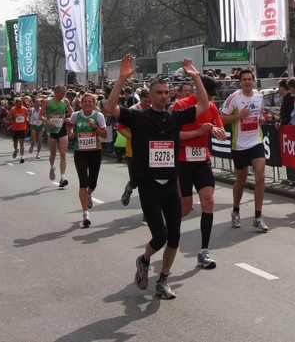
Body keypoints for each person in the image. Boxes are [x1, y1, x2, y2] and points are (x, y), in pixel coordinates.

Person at [106, 55, 211, 300]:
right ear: (150, 96)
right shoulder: (138, 118)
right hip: (149, 186)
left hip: (170, 185)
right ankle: (144, 260)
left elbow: (204, 105)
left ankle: (163, 280)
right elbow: (110, 109)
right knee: (160, 236)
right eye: (159, 93)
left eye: (166, 92)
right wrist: (121, 80)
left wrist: (196, 77)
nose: (164, 96)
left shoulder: (175, 117)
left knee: (174, 237)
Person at [173, 76, 227, 269]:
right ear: (199, 89)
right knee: (185, 208)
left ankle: (204, 251)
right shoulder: (181, 105)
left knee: (208, 200)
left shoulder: (211, 107)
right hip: (182, 161)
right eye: (208, 92)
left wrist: (216, 131)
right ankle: (167, 233)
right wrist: (197, 132)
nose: (210, 96)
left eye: (212, 93)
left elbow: (219, 128)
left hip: (202, 159)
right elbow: (172, 134)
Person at [219, 69, 269, 232]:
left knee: (260, 176)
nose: (247, 82)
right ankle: (235, 210)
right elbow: (221, 118)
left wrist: (261, 119)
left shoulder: (259, 96)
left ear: (253, 81)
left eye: (250, 79)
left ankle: (258, 217)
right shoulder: (234, 98)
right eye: (244, 79)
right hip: (239, 145)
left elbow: (260, 115)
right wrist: (239, 116)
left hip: (256, 142)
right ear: (240, 82)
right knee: (241, 180)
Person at [68, 92, 108, 228]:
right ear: (81, 103)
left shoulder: (98, 116)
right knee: (83, 182)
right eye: (85, 101)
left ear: (94, 103)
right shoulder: (76, 115)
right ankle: (85, 214)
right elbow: (69, 124)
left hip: (95, 151)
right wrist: (70, 132)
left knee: (93, 183)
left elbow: (105, 135)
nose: (87, 104)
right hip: (80, 152)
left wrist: (94, 127)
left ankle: (89, 195)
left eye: (90, 101)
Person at [45, 81, 74, 187]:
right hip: (52, 130)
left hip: (62, 129)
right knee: (53, 154)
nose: (63, 95)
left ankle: (62, 177)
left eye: (64, 93)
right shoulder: (47, 102)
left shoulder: (65, 101)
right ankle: (52, 167)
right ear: (56, 92)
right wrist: (48, 122)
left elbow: (72, 113)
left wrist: (70, 120)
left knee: (63, 153)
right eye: (62, 93)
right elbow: (40, 116)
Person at [278, 79, 295, 185]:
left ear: (283, 87)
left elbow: (292, 114)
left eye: (279, 87)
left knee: (293, 154)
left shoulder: (291, 98)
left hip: (290, 130)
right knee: (288, 154)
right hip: (286, 130)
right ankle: (291, 178)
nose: (278, 89)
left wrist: (283, 123)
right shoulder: (285, 98)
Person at [9, 97, 29, 162]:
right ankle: (16, 149)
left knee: (22, 143)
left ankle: (22, 157)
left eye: (20, 103)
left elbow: (27, 115)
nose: (19, 104)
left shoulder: (24, 109)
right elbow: (8, 116)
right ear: (15, 104)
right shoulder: (13, 109)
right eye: (17, 103)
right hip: (15, 128)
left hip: (22, 128)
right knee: (15, 142)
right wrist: (12, 117)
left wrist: (27, 119)